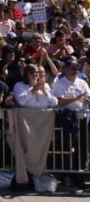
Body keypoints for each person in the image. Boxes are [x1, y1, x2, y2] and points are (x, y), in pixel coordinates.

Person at [51, 56, 90, 185]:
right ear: (66, 69)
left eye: (77, 68)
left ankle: (79, 173)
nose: (75, 71)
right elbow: (59, 100)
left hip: (82, 117)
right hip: (66, 119)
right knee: (66, 147)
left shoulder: (82, 82)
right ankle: (66, 173)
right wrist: (75, 99)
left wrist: (87, 100)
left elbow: (88, 96)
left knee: (82, 146)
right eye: (72, 68)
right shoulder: (60, 83)